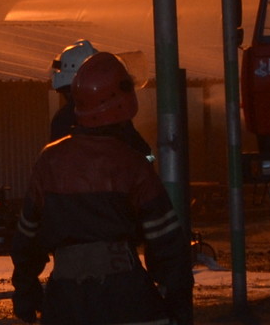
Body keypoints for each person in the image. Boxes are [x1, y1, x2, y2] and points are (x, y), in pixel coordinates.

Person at [11, 52, 193, 325]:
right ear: (120, 100)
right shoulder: (133, 162)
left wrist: (26, 291)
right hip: (126, 295)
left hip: (65, 299)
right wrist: (178, 305)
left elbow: (26, 237)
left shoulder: (48, 161)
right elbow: (166, 243)